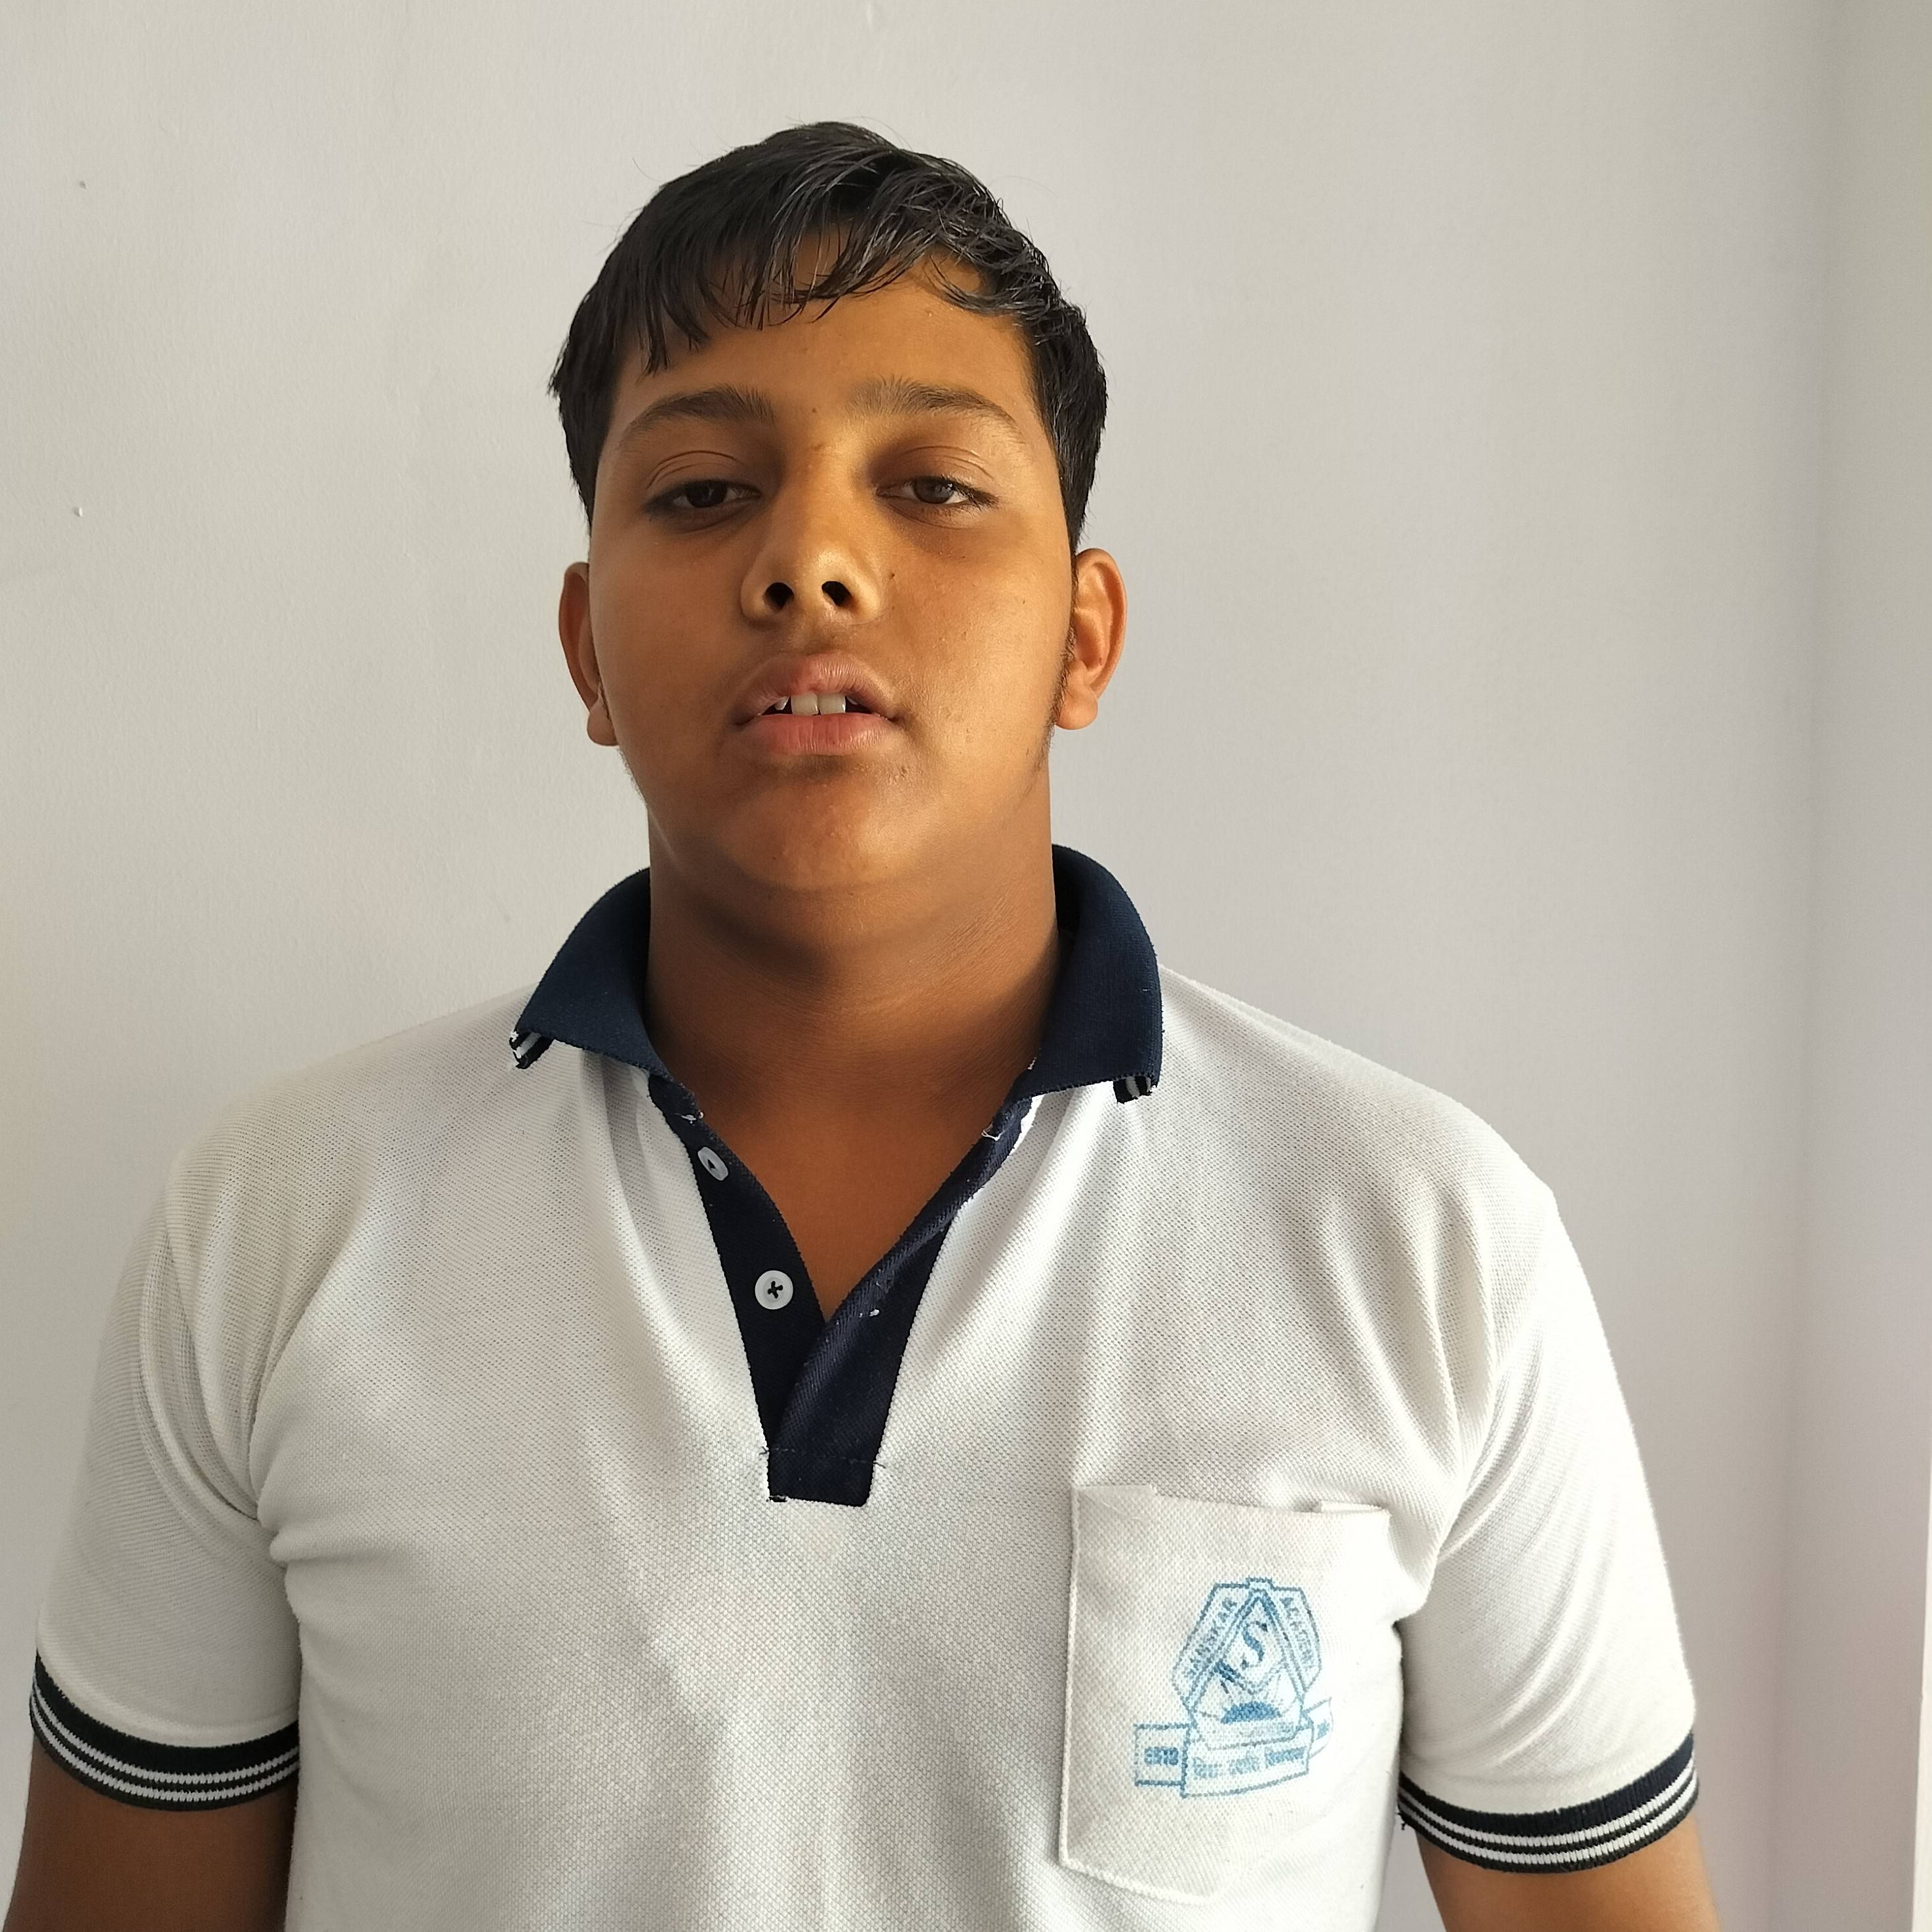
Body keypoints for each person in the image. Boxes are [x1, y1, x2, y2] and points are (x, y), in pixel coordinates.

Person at [6, 121, 1724, 1931]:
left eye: (932, 486)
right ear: (586, 650)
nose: (809, 559)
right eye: (701, 492)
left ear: (1084, 635)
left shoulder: (1423, 1243)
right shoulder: (277, 1227)